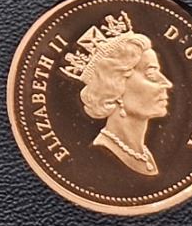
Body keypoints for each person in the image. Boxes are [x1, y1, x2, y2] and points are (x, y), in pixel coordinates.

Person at [64, 24, 173, 176]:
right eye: (151, 74)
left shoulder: (144, 154)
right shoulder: (99, 158)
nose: (167, 83)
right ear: (115, 86)